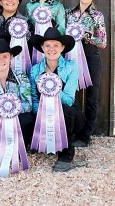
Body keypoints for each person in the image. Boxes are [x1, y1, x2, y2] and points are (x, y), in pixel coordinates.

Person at [30, 27, 85, 172]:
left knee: (65, 111)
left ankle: (66, 156)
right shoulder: (35, 70)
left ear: (62, 47)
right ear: (42, 48)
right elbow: (35, 99)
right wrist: (40, 114)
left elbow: (69, 99)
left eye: (56, 45)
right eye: (47, 45)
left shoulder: (71, 67)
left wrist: (51, 85)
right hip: (44, 113)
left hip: (69, 114)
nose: (51, 49)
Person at [66, 0, 107, 147]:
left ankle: (86, 135)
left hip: (90, 55)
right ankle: (72, 130)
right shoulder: (69, 13)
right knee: (71, 94)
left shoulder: (97, 16)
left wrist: (86, 36)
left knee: (91, 96)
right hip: (72, 56)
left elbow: (102, 42)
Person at [0, 38, 34, 150]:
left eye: (5, 56)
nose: (1, 60)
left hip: (17, 115)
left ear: (11, 57)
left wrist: (12, 113)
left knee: (27, 120)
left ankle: (19, 145)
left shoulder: (22, 78)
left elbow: (28, 104)